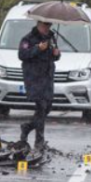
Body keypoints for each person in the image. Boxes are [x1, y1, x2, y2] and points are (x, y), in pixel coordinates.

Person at [18, 20, 60, 150]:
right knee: (41, 107)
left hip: (47, 77)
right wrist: (38, 48)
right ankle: (39, 141)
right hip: (34, 78)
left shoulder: (51, 38)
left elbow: (53, 56)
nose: (47, 27)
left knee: (48, 107)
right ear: (39, 24)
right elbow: (22, 54)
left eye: (49, 25)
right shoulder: (28, 38)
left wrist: (57, 54)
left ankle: (27, 127)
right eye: (45, 25)